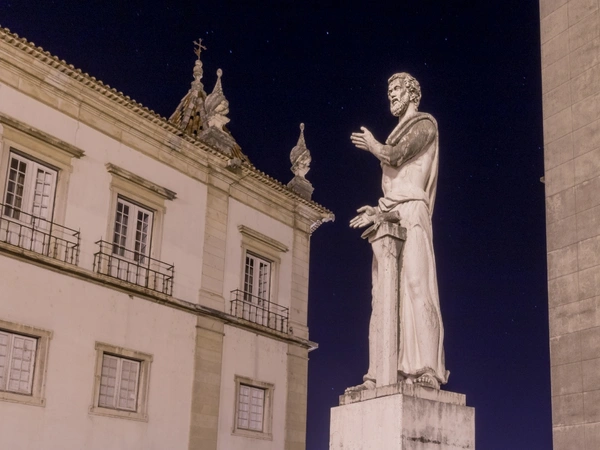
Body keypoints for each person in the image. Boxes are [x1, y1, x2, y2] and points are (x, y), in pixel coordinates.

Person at [349, 73, 448, 390]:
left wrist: (373, 145)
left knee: (418, 285)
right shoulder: (395, 133)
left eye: (397, 90)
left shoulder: (425, 124)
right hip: (389, 214)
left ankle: (427, 368)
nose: (391, 94)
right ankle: (379, 373)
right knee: (382, 297)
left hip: (413, 212)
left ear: (412, 94)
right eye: (389, 90)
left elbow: (397, 156)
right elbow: (393, 186)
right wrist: (378, 211)